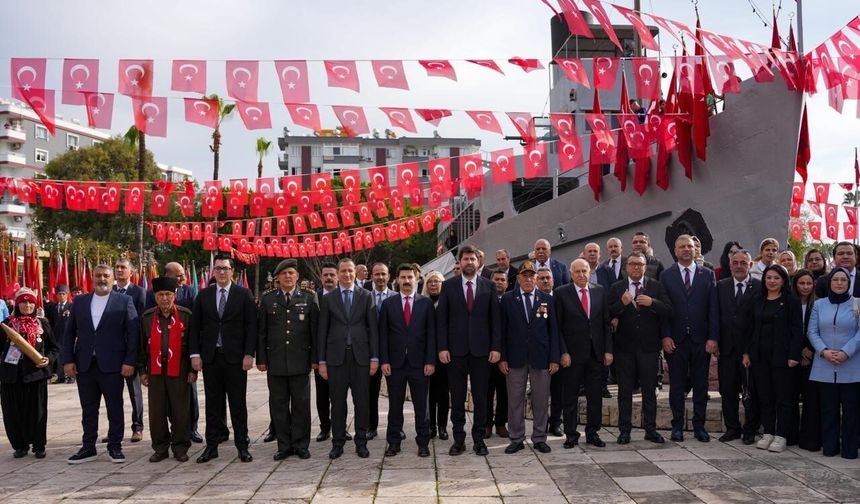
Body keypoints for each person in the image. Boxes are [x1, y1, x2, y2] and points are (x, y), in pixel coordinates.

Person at [62, 264, 139, 464]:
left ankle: (115, 446)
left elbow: (133, 334)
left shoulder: (124, 301)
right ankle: (88, 447)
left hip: (113, 365)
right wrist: (68, 360)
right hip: (85, 364)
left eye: (106, 276)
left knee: (115, 407)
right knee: (88, 408)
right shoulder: (79, 302)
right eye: (98, 276)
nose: (102, 279)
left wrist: (130, 361)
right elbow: (69, 333)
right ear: (92, 278)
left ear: (112, 278)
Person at [189, 254, 257, 464]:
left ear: (232, 271)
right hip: (211, 358)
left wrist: (249, 354)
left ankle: (242, 446)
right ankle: (212, 447)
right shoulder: (204, 295)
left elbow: (251, 327)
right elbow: (194, 328)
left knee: (238, 404)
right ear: (213, 271)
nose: (221, 272)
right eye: (218, 268)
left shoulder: (243, 294)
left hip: (236, 359)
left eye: (225, 268)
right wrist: (195, 355)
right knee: (213, 405)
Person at [437, 245, 501, 456]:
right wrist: (443, 347)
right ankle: (458, 439)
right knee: (456, 397)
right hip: (455, 352)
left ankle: (479, 439)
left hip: (482, 351)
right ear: (460, 262)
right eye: (465, 259)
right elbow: (442, 320)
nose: (469, 262)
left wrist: (495, 347)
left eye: (472, 259)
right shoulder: (449, 286)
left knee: (482, 397)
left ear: (478, 261)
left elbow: (495, 321)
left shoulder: (488, 286)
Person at [257, 259, 318, 461]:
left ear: (297, 276)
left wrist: (315, 359)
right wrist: (261, 359)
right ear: (278, 278)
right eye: (284, 274)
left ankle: (301, 445)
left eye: (291, 273)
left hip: (301, 361)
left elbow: (314, 332)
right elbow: (262, 333)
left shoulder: (309, 298)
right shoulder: (268, 300)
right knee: (279, 406)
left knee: (301, 406)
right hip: (276, 363)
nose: (288, 277)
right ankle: (284, 445)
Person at [660, 234, 719, 443]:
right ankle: (677, 426)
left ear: (696, 250)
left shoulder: (708, 275)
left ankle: (699, 426)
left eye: (690, 246)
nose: (686, 249)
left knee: (701, 385)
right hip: (676, 340)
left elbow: (713, 309)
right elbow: (664, 309)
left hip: (701, 340)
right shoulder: (666, 276)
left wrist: (713, 337)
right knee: (676, 385)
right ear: (675, 251)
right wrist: (665, 335)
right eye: (682, 246)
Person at [318, 258, 378, 460]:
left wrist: (375, 358)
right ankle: (338, 443)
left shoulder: (367, 296)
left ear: (355, 273)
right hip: (336, 359)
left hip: (361, 357)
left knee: (362, 402)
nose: (346, 274)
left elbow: (373, 330)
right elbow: (322, 331)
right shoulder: (328, 299)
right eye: (342, 271)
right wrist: (322, 362)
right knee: (337, 403)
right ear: (337, 273)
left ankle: (361, 442)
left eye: (350, 271)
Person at [609, 252, 672, 444]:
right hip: (625, 349)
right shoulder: (617, 287)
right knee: (625, 392)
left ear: (645, 267)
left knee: (649, 391)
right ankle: (624, 430)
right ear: (626, 267)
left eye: (640, 264)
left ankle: (650, 430)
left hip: (649, 348)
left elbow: (669, 310)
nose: (636, 267)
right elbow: (607, 313)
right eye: (633, 264)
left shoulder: (655, 286)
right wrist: (622, 303)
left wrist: (652, 302)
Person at [499, 261, 560, 454]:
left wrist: (554, 358)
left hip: (541, 358)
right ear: (518, 279)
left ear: (536, 278)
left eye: (531, 275)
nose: (528, 279)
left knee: (541, 400)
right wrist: (503, 358)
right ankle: (516, 438)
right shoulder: (508, 299)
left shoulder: (547, 299)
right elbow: (502, 331)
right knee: (515, 399)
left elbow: (554, 331)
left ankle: (540, 438)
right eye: (524, 276)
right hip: (515, 358)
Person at [743, 265, 802, 453]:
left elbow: (797, 331)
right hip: (759, 357)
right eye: (768, 278)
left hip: (782, 358)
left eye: (776, 278)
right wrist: (746, 353)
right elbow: (750, 329)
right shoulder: (758, 300)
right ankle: (768, 432)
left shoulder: (791, 301)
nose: (772, 281)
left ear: (783, 280)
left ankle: (781, 434)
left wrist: (794, 355)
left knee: (783, 397)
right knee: (765, 396)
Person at [379, 264, 436, 458]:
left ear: (417, 279)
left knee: (422, 406)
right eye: (402, 277)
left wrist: (430, 361)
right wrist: (384, 360)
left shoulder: (425, 304)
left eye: (410, 277)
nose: (406, 281)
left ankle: (423, 442)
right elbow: (383, 335)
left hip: (420, 364)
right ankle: (393, 443)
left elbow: (431, 335)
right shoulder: (388, 304)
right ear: (397, 280)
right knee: (395, 406)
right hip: (394, 364)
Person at [555, 258, 612, 448]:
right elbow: (558, 327)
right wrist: (563, 352)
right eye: (577, 271)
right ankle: (571, 434)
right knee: (570, 396)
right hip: (572, 355)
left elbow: (605, 324)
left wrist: (607, 350)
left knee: (595, 396)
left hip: (595, 354)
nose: (581, 274)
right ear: (571, 274)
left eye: (584, 271)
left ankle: (593, 432)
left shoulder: (600, 291)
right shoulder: (561, 293)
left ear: (589, 272)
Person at [138, 277, 196, 463]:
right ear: (155, 296)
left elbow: (193, 345)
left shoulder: (186, 316)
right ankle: (160, 448)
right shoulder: (147, 318)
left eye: (168, 294)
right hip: (155, 371)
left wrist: (193, 371)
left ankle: (180, 447)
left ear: (174, 295)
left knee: (181, 411)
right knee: (157, 412)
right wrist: (142, 371)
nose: (164, 298)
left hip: (180, 370)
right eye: (161, 295)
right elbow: (140, 347)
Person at [146, 263, 203, 444]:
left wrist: (193, 365)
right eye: (177, 275)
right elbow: (144, 333)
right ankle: (162, 444)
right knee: (158, 408)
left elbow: (195, 329)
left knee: (184, 404)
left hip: (181, 363)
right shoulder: (149, 303)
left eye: (168, 294)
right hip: (156, 365)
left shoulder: (189, 294)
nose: (181, 278)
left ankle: (189, 432)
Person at [807, 268, 860, 459]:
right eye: (835, 279)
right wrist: (824, 351)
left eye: (843, 280)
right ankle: (830, 446)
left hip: (851, 365)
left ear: (849, 283)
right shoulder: (819, 305)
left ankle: (850, 449)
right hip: (825, 364)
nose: (839, 283)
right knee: (828, 409)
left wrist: (846, 352)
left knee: (851, 411)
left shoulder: (857, 304)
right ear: (829, 282)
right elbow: (812, 331)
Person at [0, 288, 58, 459]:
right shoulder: (6, 325)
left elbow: (54, 348)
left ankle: (39, 445)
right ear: (17, 304)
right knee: (13, 413)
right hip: (11, 377)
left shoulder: (42, 324)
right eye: (24, 302)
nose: (27, 305)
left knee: (37, 412)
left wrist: (48, 360)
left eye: (31, 302)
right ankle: (20, 445)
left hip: (35, 376)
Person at [715, 249, 761, 445]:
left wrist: (749, 350)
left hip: (749, 352)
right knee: (727, 391)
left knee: (750, 391)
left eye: (744, 262)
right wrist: (714, 340)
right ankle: (732, 428)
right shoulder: (720, 286)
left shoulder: (759, 287)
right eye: (736, 263)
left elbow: (758, 323)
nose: (739, 266)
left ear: (750, 265)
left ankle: (750, 429)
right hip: (726, 349)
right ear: (730, 265)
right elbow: (714, 315)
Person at [113, 258, 146, 443]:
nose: (119, 270)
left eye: (123, 267)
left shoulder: (139, 293)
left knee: (134, 393)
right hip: (112, 351)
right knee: (113, 393)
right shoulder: (109, 291)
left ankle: (138, 427)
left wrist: (137, 354)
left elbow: (140, 325)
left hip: (131, 350)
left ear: (131, 272)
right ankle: (115, 429)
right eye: (117, 267)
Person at [314, 262, 346, 442]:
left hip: (342, 355)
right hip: (322, 354)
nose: (329, 278)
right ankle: (325, 428)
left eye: (332, 275)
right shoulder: (314, 298)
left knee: (340, 394)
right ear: (321, 277)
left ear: (338, 276)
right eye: (325, 275)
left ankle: (341, 428)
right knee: (322, 394)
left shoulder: (344, 297)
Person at [792, 269, 820, 452]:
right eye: (801, 283)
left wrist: (809, 350)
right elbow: (786, 330)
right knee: (790, 399)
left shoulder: (818, 304)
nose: (805, 287)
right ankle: (791, 435)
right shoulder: (788, 303)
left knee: (811, 400)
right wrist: (797, 352)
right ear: (795, 284)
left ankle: (810, 439)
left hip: (813, 357)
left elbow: (820, 330)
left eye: (808, 283)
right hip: (792, 358)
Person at [367, 262, 394, 440]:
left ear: (388, 276)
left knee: (395, 393)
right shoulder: (364, 297)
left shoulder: (397, 297)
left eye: (383, 274)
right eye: (377, 274)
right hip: (370, 354)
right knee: (370, 393)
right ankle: (371, 426)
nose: (380, 277)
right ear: (372, 276)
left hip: (393, 353)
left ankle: (394, 427)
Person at [423, 271, 449, 440]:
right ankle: (430, 426)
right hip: (427, 355)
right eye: (430, 282)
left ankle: (442, 426)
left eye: (437, 281)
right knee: (430, 393)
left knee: (443, 393)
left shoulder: (449, 303)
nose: (433, 284)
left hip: (446, 355)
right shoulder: (422, 303)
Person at [538, 268, 563, 437]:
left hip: (560, 352)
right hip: (539, 354)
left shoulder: (561, 297)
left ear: (553, 280)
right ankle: (542, 423)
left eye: (548, 278)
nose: (545, 281)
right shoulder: (534, 300)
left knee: (558, 391)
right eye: (542, 278)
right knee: (540, 393)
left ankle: (556, 423)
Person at [485, 270, 509, 439]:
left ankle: (501, 423)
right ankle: (486, 424)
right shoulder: (484, 300)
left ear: (507, 284)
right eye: (496, 280)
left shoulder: (511, 301)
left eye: (502, 280)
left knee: (504, 391)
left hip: (506, 354)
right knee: (486, 391)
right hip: (486, 354)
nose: (499, 282)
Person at [45, 284, 72, 384]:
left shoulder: (71, 306)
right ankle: (60, 376)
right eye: (59, 294)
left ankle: (70, 376)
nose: (61, 296)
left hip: (67, 335)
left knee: (68, 355)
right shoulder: (52, 307)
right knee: (59, 356)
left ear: (67, 294)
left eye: (63, 294)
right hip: (56, 335)